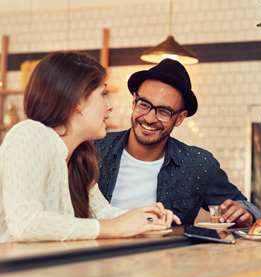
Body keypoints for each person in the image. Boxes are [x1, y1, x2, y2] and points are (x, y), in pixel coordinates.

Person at [0, 51, 179, 243]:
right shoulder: (30, 133)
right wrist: (116, 227)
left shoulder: (78, 156)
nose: (109, 106)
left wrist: (149, 219)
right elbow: (26, 224)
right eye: (103, 94)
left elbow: (102, 212)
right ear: (78, 101)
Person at [93, 59, 261, 227]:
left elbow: (242, 207)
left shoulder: (197, 164)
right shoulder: (93, 149)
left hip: (167, 253)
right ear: (134, 101)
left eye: (164, 112)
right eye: (144, 105)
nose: (150, 118)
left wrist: (244, 215)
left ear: (180, 118)